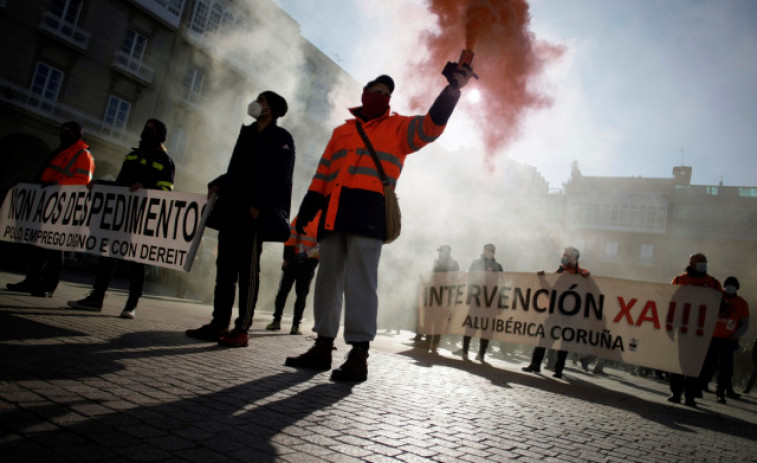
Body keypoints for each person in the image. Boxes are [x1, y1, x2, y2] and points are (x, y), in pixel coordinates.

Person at [284, 65, 474, 382]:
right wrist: (307, 209)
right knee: (327, 281)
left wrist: (452, 90)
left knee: (360, 284)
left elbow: (431, 127)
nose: (381, 96)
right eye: (376, 90)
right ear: (364, 93)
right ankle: (322, 346)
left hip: (368, 214)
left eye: (386, 94)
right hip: (332, 213)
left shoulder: (399, 128)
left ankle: (358, 356)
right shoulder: (341, 131)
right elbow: (323, 175)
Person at [186, 91, 295, 348]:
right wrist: (218, 183)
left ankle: (242, 328)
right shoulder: (246, 133)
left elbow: (280, 176)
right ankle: (219, 322)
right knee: (224, 269)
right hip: (232, 210)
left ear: (273, 109)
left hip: (254, 214)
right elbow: (236, 170)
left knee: (248, 272)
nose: (256, 104)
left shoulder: (282, 138)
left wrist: (260, 204)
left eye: (262, 101)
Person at [67, 119, 174, 318]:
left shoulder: (164, 160)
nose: (146, 131)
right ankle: (96, 299)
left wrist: (145, 188)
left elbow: (166, 190)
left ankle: (131, 305)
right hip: (119, 214)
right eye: (145, 128)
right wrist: (98, 185)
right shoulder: (131, 156)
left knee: (137, 260)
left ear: (160, 134)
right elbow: (118, 184)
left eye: (151, 129)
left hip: (142, 217)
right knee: (108, 255)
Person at [6, 121, 95, 297]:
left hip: (63, 208)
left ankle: (48, 285)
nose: (64, 133)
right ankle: (31, 281)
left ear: (78, 134)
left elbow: (83, 181)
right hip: (47, 204)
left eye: (69, 131)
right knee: (39, 245)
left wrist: (56, 184)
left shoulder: (83, 154)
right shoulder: (62, 151)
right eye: (63, 130)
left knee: (55, 247)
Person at [522, 246, 590, 379]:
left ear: (574, 258)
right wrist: (542, 279)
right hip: (555, 313)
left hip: (570, 315)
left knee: (565, 343)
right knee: (544, 339)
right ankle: (535, 364)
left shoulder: (582, 274)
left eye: (567, 256)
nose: (564, 258)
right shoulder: (560, 271)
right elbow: (550, 290)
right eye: (564, 255)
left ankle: (559, 369)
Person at [668, 253, 722, 407]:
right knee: (678, 363)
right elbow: (670, 301)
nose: (703, 264)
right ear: (692, 263)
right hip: (683, 328)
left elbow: (721, 304)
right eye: (700, 262)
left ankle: (690, 395)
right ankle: (676, 392)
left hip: (702, 332)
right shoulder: (680, 280)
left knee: (697, 365)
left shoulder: (713, 283)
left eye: (705, 262)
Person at [265, 212, 321, 335]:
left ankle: (276, 321)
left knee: (283, 292)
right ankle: (295, 326)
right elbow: (321, 247)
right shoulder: (324, 222)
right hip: (309, 264)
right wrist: (308, 256)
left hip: (293, 261)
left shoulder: (301, 217)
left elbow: (291, 237)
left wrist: (288, 258)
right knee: (301, 296)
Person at [700, 276, 750, 403]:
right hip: (712, 337)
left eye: (732, 285)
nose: (730, 287)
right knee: (708, 365)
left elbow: (745, 323)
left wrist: (737, 334)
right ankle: (700, 386)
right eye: (727, 285)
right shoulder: (716, 296)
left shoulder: (742, 303)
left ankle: (720, 392)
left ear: (736, 288)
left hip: (729, 340)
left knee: (725, 367)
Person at [457, 243, 502, 361]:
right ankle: (465, 351)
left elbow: (502, 285)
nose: (490, 252)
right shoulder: (476, 263)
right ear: (484, 250)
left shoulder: (498, 266)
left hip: (490, 303)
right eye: (488, 250)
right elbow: (470, 279)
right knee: (470, 326)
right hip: (476, 301)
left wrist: (499, 304)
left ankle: (481, 353)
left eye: (492, 250)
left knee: (487, 329)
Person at [426, 245, 460, 353]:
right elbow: (432, 276)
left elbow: (456, 279)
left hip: (445, 295)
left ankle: (435, 344)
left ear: (447, 252)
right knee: (430, 318)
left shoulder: (454, 264)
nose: (439, 253)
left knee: (438, 321)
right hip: (433, 293)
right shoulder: (436, 262)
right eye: (439, 251)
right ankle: (428, 342)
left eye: (441, 251)